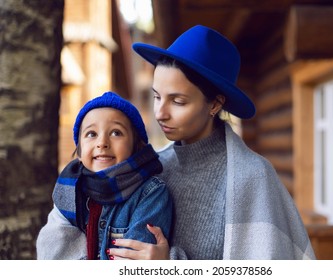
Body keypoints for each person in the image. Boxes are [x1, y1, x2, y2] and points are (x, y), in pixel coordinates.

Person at [106, 25, 316, 260]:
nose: (160, 113)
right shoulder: (154, 168)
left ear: (215, 105)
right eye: (157, 97)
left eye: (178, 101)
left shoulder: (253, 177)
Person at [36, 91, 173, 260]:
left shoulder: (151, 193)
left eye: (116, 133)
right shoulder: (69, 188)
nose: (102, 143)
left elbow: (133, 262)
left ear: (136, 146)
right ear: (79, 150)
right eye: (91, 134)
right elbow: (52, 253)